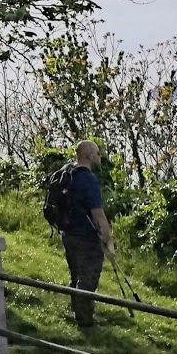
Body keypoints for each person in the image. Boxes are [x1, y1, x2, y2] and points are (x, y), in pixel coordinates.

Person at [61, 140, 112, 328]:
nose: (99, 157)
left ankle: (77, 313)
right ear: (89, 155)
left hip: (67, 234)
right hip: (86, 237)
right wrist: (108, 240)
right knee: (88, 279)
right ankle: (85, 321)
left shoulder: (68, 174)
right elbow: (98, 215)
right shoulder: (88, 180)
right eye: (98, 153)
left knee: (76, 275)